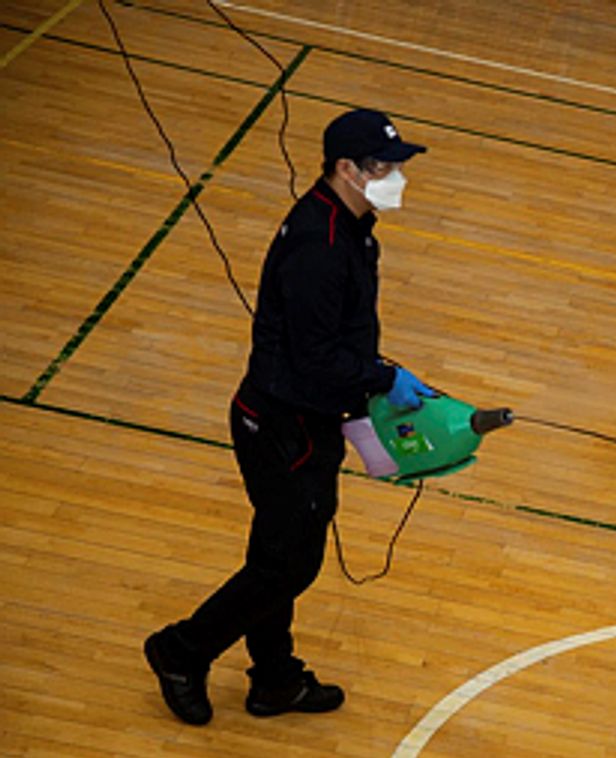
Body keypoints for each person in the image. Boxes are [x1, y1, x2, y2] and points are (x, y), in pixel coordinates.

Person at [144, 108, 438, 725]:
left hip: (307, 418)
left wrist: (374, 375)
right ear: (347, 169)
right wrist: (383, 379)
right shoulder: (319, 246)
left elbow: (336, 341)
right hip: (283, 426)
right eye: (385, 168)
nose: (397, 179)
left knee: (276, 553)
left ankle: (274, 678)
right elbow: (316, 357)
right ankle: (181, 651)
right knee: (289, 562)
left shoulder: (352, 228)